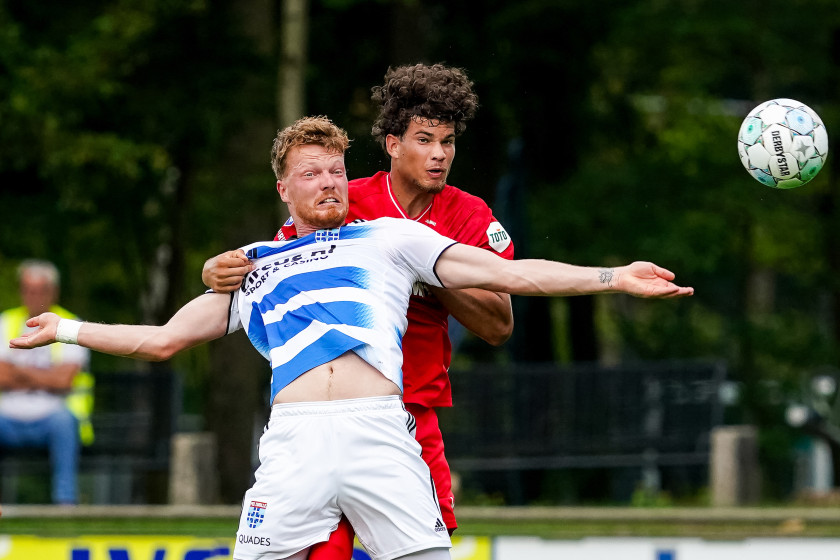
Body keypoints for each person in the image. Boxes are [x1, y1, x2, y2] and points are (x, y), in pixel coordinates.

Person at [12, 116, 692, 559]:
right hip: (294, 444)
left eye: (337, 170)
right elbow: (161, 340)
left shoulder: (390, 240)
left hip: (379, 434)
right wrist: (67, 329)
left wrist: (612, 276)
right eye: (312, 173)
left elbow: (507, 276)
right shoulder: (256, 264)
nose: (329, 182)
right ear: (285, 189)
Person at [203, 63, 514, 556]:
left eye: (448, 141)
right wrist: (213, 272)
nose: (439, 154)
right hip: (326, 417)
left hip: (414, 410)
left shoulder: (470, 215)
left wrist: (428, 266)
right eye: (425, 139)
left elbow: (499, 325)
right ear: (393, 144)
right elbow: (270, 263)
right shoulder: (346, 199)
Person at [0, 260, 94, 505]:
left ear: (53, 292)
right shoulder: (5, 322)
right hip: (7, 417)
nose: (34, 296)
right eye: (29, 290)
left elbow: (63, 380)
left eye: (41, 290)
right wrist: (45, 376)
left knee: (64, 422)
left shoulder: (71, 324)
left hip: (53, 417)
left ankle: (65, 506)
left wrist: (18, 372)